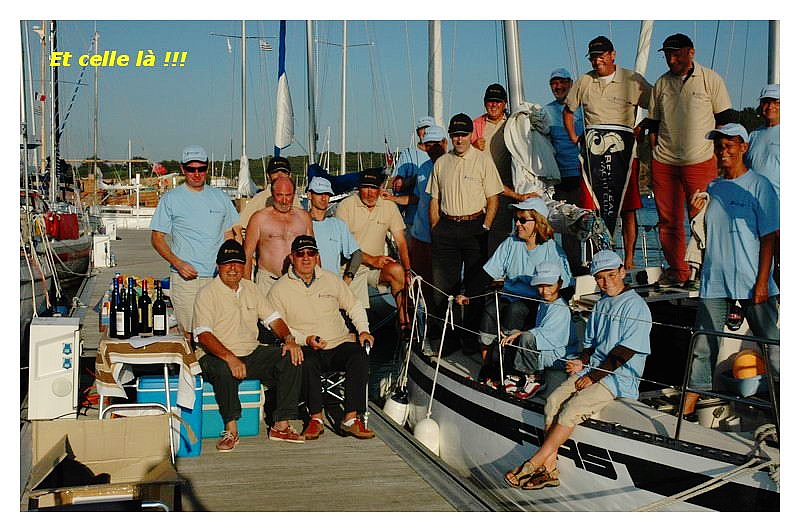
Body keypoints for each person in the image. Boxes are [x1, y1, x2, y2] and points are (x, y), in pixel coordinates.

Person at [504, 249, 651, 490]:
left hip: (618, 376)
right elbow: (591, 345)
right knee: (553, 402)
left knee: (571, 410)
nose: (606, 282)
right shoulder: (601, 303)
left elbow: (625, 352)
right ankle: (550, 470)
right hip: (593, 369)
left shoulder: (636, 306)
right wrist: (582, 362)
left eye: (611, 275)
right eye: (600, 278)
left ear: (623, 271)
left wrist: (592, 377)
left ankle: (534, 463)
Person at [682, 124, 779, 419]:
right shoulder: (713, 187)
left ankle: (783, 405)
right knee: (702, 345)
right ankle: (687, 408)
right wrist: (692, 213)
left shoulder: (760, 185)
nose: (723, 151)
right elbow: (703, 232)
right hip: (715, 281)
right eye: (719, 146)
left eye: (729, 145)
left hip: (753, 281)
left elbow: (770, 237)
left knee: (773, 346)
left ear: (744, 147)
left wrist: (762, 283)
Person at [193, 240, 305, 450]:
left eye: (237, 263)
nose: (233, 268)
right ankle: (231, 429)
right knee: (223, 368)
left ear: (244, 266)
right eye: (227, 263)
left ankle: (281, 425)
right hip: (215, 355)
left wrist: (289, 340)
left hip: (250, 352)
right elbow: (204, 335)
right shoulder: (207, 293)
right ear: (218, 266)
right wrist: (230, 358)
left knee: (292, 357)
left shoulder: (251, 288)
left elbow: (273, 319)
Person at [648, 33, 737, 287]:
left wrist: (720, 155)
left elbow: (725, 121)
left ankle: (706, 271)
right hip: (665, 162)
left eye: (676, 54)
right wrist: (654, 151)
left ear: (691, 52)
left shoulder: (710, 79)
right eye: (667, 55)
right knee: (668, 221)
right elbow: (653, 124)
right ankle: (679, 271)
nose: (671, 59)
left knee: (702, 219)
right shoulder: (661, 84)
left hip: (700, 159)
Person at [268, 236, 375, 440]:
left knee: (359, 356)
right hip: (306, 345)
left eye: (311, 253)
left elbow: (353, 305)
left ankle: (351, 418)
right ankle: (315, 419)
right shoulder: (279, 289)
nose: (306, 258)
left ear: (317, 256)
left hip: (339, 342)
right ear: (292, 257)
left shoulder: (331, 279)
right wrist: (304, 339)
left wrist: (363, 330)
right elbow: (278, 326)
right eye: (300, 254)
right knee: (306, 360)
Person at [456, 197, 572, 382]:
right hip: (509, 295)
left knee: (515, 311)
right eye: (516, 219)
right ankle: (488, 365)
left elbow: (565, 286)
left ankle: (508, 367)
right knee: (490, 310)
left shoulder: (552, 250)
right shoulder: (511, 243)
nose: (517, 224)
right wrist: (468, 294)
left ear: (538, 222)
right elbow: (488, 272)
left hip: (536, 300)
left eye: (523, 220)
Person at [564, 36, 651, 271]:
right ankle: (599, 259)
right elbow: (568, 111)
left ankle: (629, 259)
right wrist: (574, 136)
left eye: (601, 56)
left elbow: (657, 104)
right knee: (592, 208)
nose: (597, 61)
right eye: (593, 57)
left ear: (613, 55)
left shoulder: (632, 80)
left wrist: (642, 127)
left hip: (625, 154)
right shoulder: (584, 81)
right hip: (592, 155)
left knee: (628, 208)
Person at [427, 113, 504, 351]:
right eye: (455, 135)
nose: (459, 139)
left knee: (474, 287)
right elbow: (434, 199)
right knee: (442, 288)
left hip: (475, 227)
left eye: (463, 134)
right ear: (450, 137)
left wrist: (486, 227)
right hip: (446, 228)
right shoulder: (441, 163)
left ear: (471, 135)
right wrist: (435, 228)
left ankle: (471, 339)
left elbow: (493, 198)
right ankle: (446, 340)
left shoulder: (483, 161)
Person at [150, 144, 240, 340]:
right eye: (191, 169)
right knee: (190, 334)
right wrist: (178, 264)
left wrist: (232, 267)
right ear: (183, 169)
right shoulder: (170, 199)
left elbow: (230, 235)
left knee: (220, 332)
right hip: (186, 280)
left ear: (207, 168)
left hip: (218, 278)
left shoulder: (221, 197)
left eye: (201, 168)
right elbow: (157, 238)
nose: (197, 174)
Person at [336, 169, 412, 332]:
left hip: (375, 268)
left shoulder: (389, 207)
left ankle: (404, 322)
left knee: (397, 271)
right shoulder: (345, 206)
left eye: (374, 188)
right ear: (359, 188)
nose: (370, 193)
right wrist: (372, 259)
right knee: (355, 316)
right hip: (350, 267)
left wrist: (407, 271)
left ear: (380, 188)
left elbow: (401, 242)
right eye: (366, 187)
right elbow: (342, 246)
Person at [471, 83, 536, 255]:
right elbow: (461, 155)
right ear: (484, 103)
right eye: (490, 101)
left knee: (502, 236)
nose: (493, 105)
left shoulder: (513, 124)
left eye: (498, 101)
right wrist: (473, 147)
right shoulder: (475, 125)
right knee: (480, 237)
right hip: (480, 192)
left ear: (505, 104)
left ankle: (502, 269)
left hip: (506, 192)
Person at [500, 261, 575, 400]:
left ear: (560, 284)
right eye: (540, 286)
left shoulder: (560, 309)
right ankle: (516, 376)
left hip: (559, 354)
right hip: (550, 347)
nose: (544, 291)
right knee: (513, 335)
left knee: (526, 337)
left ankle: (535, 378)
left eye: (549, 286)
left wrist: (521, 334)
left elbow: (548, 336)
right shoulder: (545, 302)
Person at [394, 124, 448, 302]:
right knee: (421, 282)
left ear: (444, 143)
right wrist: (391, 199)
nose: (432, 148)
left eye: (436, 144)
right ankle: (423, 314)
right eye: (428, 145)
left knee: (443, 284)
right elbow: (416, 198)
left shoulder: (454, 165)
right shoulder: (423, 168)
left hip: (444, 237)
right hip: (421, 235)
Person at [544, 68, 586, 274]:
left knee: (589, 220)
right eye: (554, 83)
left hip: (583, 174)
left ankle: (598, 263)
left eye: (562, 82)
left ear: (571, 83)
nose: (558, 87)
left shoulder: (584, 109)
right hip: (560, 177)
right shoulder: (546, 112)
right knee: (567, 224)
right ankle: (574, 268)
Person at [243, 175, 313, 294]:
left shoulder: (304, 217)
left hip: (297, 281)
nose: (284, 201)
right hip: (268, 282)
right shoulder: (259, 218)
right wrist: (247, 289)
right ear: (272, 194)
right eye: (280, 195)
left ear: (294, 194)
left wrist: (317, 283)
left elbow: (313, 252)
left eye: (288, 195)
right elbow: (247, 255)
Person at [306, 176, 362, 283]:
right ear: (309, 195)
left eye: (327, 194)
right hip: (307, 287)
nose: (324, 198)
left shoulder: (338, 225)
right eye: (319, 193)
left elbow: (357, 254)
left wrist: (347, 280)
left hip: (333, 286)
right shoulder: (300, 224)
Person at [385, 116, 434, 230]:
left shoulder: (441, 155)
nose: (426, 132)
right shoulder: (407, 154)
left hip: (435, 219)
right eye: (422, 129)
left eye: (429, 128)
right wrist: (410, 181)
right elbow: (395, 184)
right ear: (417, 132)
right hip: (413, 219)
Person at [238, 156, 301, 230]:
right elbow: (239, 226)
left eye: (284, 172)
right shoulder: (259, 199)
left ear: (290, 175)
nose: (280, 175)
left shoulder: (295, 199)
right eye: (275, 172)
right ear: (268, 176)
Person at [745, 84, 779, 196]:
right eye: (766, 102)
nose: (770, 106)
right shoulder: (753, 135)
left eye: (776, 102)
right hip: (753, 200)